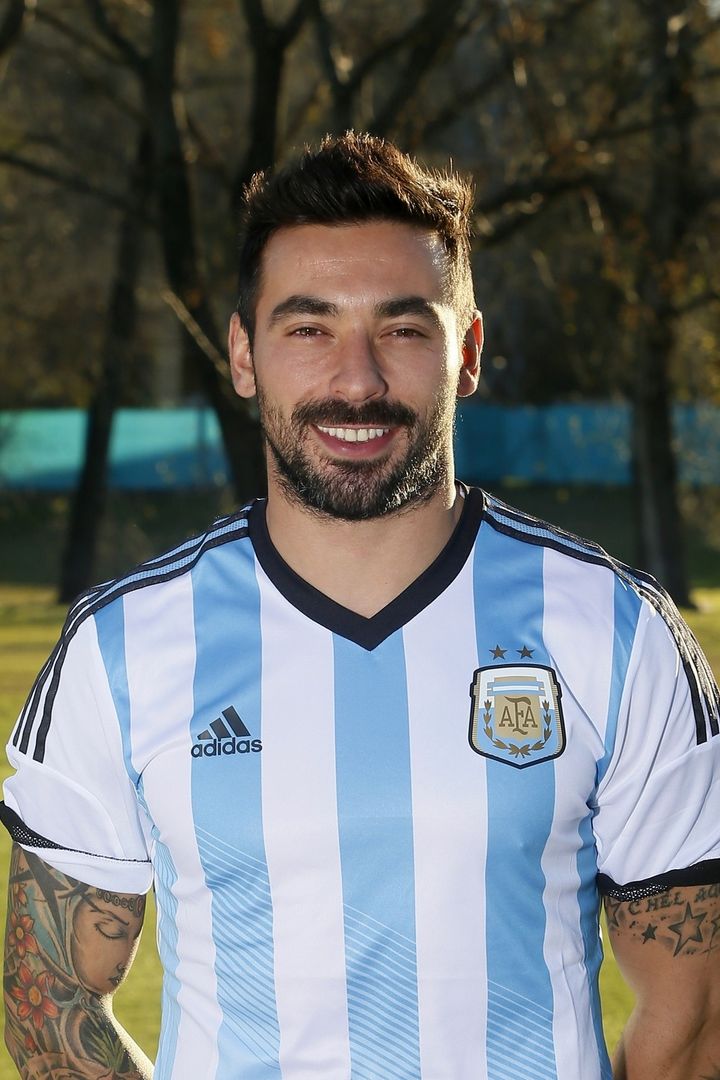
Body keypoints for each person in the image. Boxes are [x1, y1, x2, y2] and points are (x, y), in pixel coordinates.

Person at [2, 132, 720, 1080]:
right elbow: (50, 1002)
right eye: (309, 329)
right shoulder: (120, 646)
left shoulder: (617, 633)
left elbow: (696, 1017)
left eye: (403, 330)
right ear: (243, 355)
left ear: (467, 353)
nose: (357, 380)